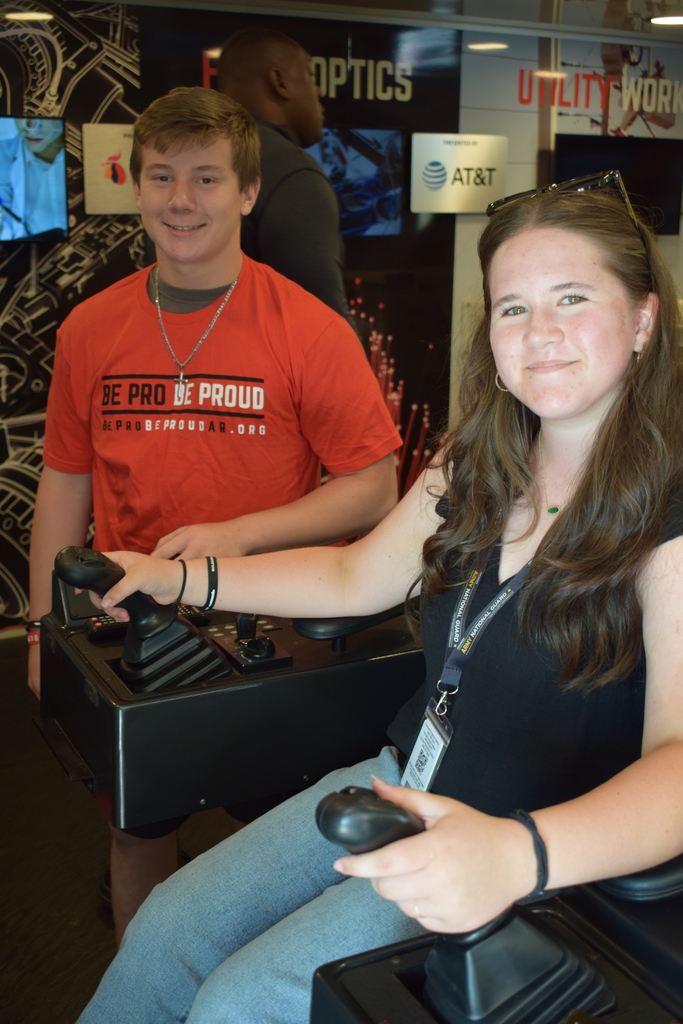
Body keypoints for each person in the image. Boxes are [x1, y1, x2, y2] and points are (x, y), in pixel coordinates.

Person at [75, 173, 683, 1024]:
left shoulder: (670, 515)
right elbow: (354, 576)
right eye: (511, 308)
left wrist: (520, 853)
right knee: (167, 928)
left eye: (571, 298)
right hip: (400, 780)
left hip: (511, 843)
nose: (538, 333)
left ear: (643, 320)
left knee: (238, 1003)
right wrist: (178, 577)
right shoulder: (479, 458)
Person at [28, 86, 400, 943]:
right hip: (135, 625)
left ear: (246, 192)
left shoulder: (306, 329)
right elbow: (64, 479)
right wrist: (50, 628)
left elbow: (371, 486)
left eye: (205, 178)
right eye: (162, 177)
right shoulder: (90, 327)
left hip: (276, 627)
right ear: (137, 185)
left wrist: (234, 538)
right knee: (135, 832)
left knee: (285, 842)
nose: (181, 201)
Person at [217, 27, 351, 321]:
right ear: (279, 82)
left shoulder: (185, 165)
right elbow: (324, 326)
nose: (319, 90)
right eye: (310, 76)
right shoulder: (290, 171)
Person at [0, 117, 67, 240]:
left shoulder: (91, 151)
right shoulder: (2, 155)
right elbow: (6, 227)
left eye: (43, 116)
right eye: (22, 116)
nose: (31, 128)